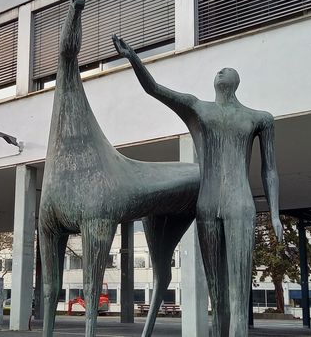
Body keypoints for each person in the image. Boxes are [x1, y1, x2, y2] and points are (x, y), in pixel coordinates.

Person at [113, 35, 282, 337]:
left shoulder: (259, 118)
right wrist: (133, 58)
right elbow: (154, 90)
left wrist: (276, 214)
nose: (221, 71)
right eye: (219, 70)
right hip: (207, 205)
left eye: (227, 70)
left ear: (236, 82)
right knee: (217, 299)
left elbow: (269, 169)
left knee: (238, 293)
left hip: (239, 204)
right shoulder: (197, 108)